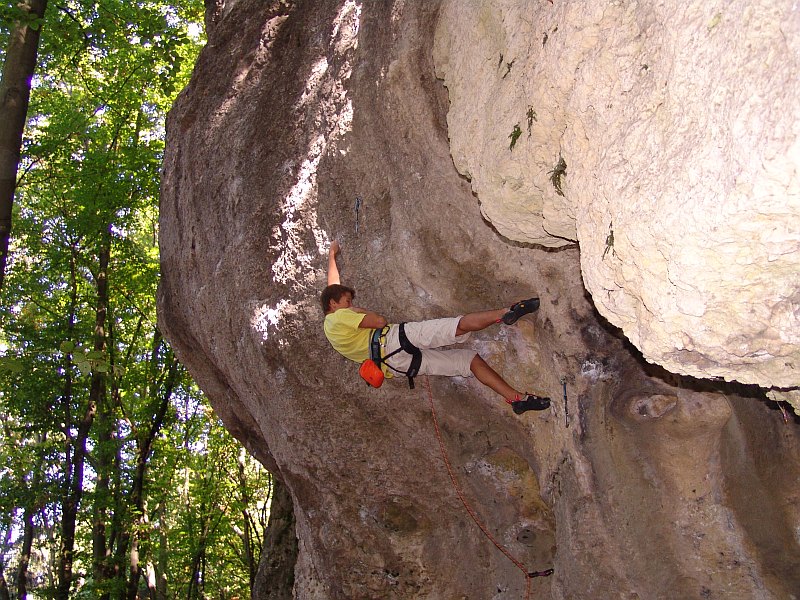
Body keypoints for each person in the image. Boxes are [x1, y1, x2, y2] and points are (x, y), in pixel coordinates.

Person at [321, 241, 551, 414]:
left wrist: (332, 255)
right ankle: (506, 313)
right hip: (392, 341)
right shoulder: (338, 317)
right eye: (347, 302)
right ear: (334, 304)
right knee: (454, 327)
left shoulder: (332, 326)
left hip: (397, 365)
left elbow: (333, 286)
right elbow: (379, 322)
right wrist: (358, 310)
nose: (350, 306)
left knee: (469, 361)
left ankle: (517, 400)